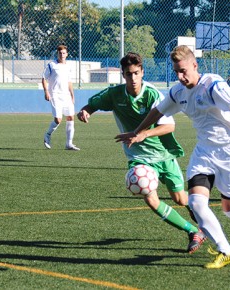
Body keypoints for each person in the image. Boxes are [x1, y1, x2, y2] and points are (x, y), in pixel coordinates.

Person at [115, 45, 230, 269]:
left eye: (183, 71)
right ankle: (225, 251)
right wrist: (138, 131)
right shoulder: (178, 92)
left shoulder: (212, 85)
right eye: (176, 72)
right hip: (204, 153)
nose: (180, 76)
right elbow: (158, 111)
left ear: (194, 66)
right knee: (196, 203)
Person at [77, 52, 206, 253]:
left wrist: (142, 134)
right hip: (138, 157)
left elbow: (169, 127)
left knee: (180, 199)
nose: (133, 78)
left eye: (137, 73)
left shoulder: (153, 94)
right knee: (150, 197)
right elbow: (94, 104)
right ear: (123, 75)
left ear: (142, 72)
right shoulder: (115, 94)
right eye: (129, 74)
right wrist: (86, 111)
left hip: (163, 153)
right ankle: (192, 232)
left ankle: (202, 220)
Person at [42, 44, 80, 150]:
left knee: (70, 117)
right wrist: (46, 91)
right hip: (55, 94)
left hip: (66, 95)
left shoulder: (68, 67)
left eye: (64, 53)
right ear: (57, 54)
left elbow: (69, 82)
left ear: (67, 54)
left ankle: (69, 144)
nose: (62, 55)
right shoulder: (51, 65)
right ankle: (47, 135)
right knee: (58, 120)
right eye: (60, 53)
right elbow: (44, 78)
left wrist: (72, 95)